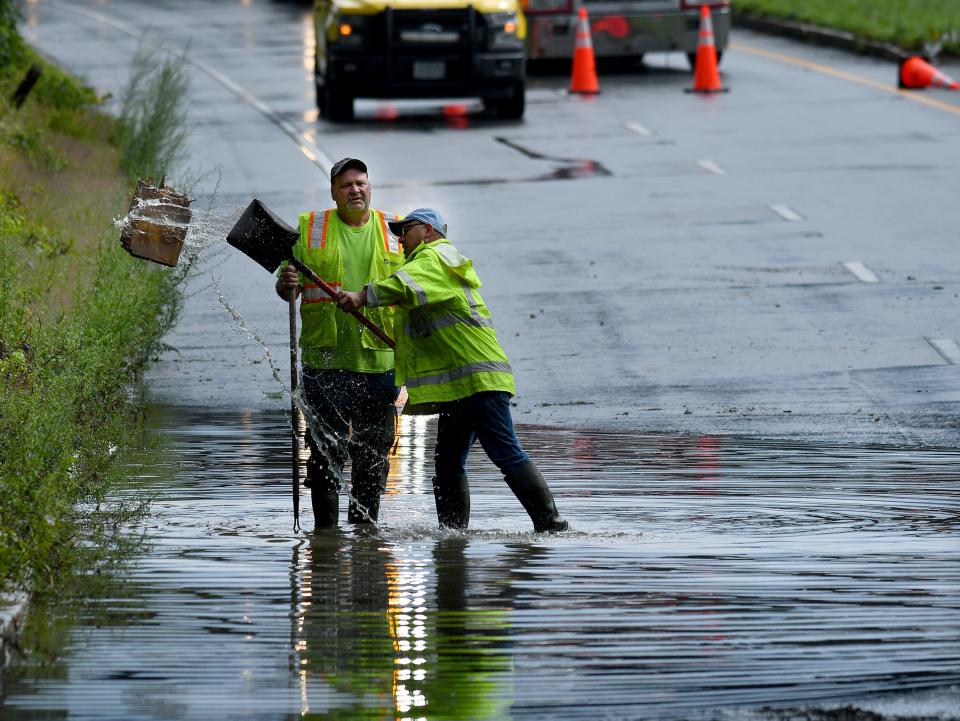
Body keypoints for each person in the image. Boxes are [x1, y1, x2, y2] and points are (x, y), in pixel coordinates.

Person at [338, 208, 568, 533]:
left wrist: (362, 297)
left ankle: (551, 524)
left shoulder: (435, 256)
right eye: (398, 231)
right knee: (447, 464)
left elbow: (402, 285)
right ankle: (452, 537)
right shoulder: (432, 264)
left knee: (505, 452)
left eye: (407, 229)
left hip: (478, 380)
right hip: (461, 385)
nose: (400, 237)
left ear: (429, 231)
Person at [276, 158, 404, 528]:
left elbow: (414, 290)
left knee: (373, 456)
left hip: (379, 363)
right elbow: (287, 288)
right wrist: (286, 287)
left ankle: (365, 533)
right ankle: (326, 535)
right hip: (324, 361)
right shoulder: (309, 228)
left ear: (370, 187)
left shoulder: (395, 229)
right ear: (334, 192)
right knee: (323, 454)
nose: (355, 190)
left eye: (361, 183)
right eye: (346, 185)